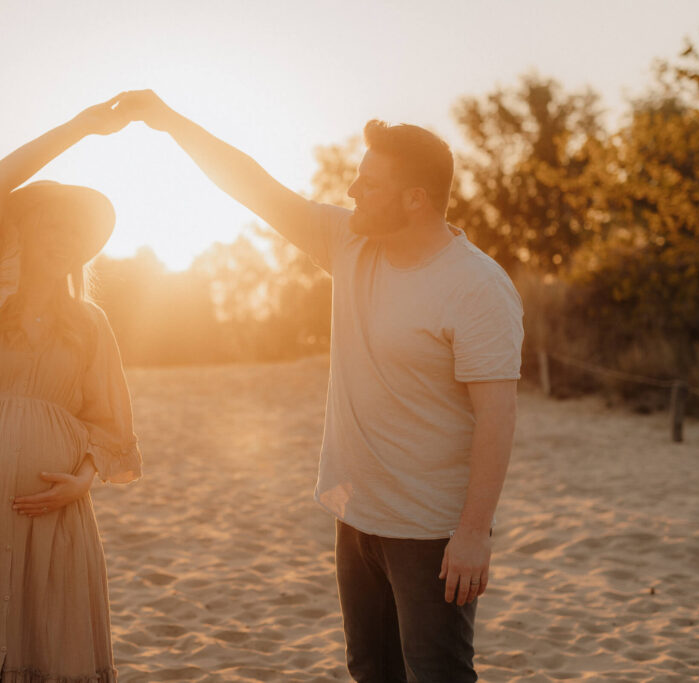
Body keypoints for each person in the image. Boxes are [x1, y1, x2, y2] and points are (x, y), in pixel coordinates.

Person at [115, 90, 523, 682]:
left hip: (430, 531)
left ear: (416, 199)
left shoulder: (477, 287)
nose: (352, 191)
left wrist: (473, 533)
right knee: (370, 670)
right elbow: (251, 185)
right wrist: (168, 119)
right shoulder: (350, 241)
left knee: (438, 673)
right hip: (355, 514)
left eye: (369, 183)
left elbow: (497, 415)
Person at [0, 95, 142, 683]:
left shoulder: (89, 323)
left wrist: (83, 481)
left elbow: (111, 425)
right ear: (19, 230)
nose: (66, 237)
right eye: (54, 223)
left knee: (53, 645)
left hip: (60, 509)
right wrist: (81, 127)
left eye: (77, 231)